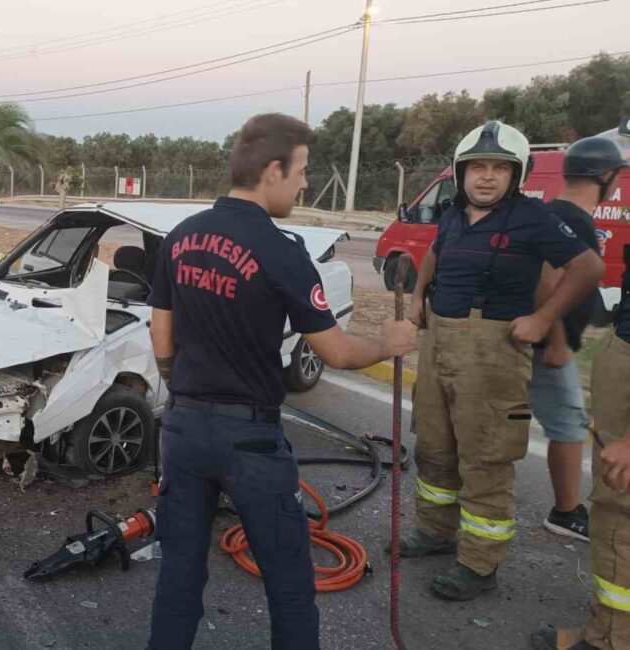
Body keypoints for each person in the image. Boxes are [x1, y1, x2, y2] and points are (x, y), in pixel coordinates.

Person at [145, 113, 417, 650]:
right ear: (273, 170)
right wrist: (390, 343)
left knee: (178, 578)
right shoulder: (282, 251)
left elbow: (161, 340)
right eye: (302, 170)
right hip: (250, 443)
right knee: (290, 586)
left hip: (183, 430)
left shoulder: (180, 237)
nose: (305, 182)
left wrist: (186, 393)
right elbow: (336, 351)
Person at [402, 121, 606, 601]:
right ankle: (435, 533)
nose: (487, 177)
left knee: (486, 461)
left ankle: (479, 564)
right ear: (460, 172)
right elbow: (434, 249)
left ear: (517, 176)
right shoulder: (453, 214)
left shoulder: (531, 218)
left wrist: (542, 319)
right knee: (433, 447)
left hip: (493, 355)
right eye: (478, 167)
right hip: (439, 347)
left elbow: (588, 267)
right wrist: (416, 296)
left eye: (499, 168)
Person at [530, 140, 629, 650]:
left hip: (555, 343)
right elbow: (547, 275)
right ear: (609, 179)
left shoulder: (558, 211)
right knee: (568, 424)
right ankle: (567, 510)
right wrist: (556, 338)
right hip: (552, 347)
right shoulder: (569, 217)